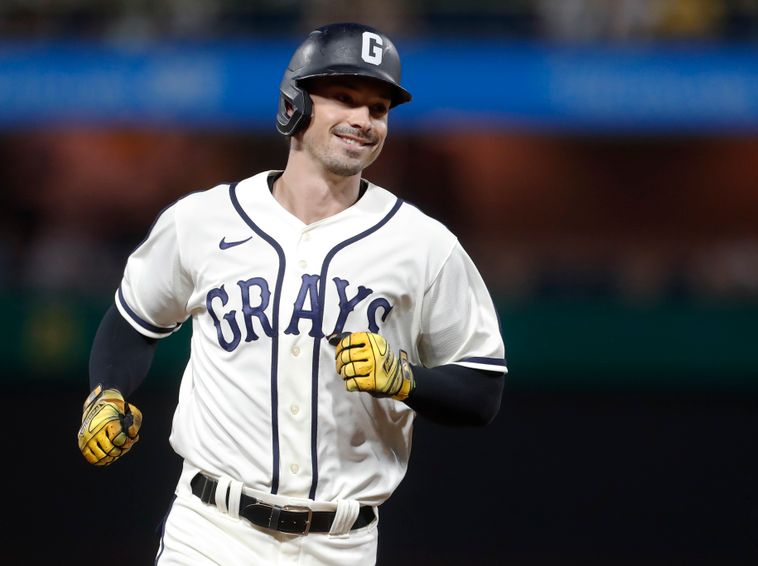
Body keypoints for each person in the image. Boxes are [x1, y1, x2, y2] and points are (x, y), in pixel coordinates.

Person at [77, 22, 507, 565]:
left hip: (341, 542)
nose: (362, 120)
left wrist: (406, 379)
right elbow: (132, 324)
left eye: (378, 109)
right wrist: (106, 393)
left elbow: (483, 387)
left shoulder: (423, 244)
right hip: (211, 532)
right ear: (296, 103)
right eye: (345, 99)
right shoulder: (202, 220)